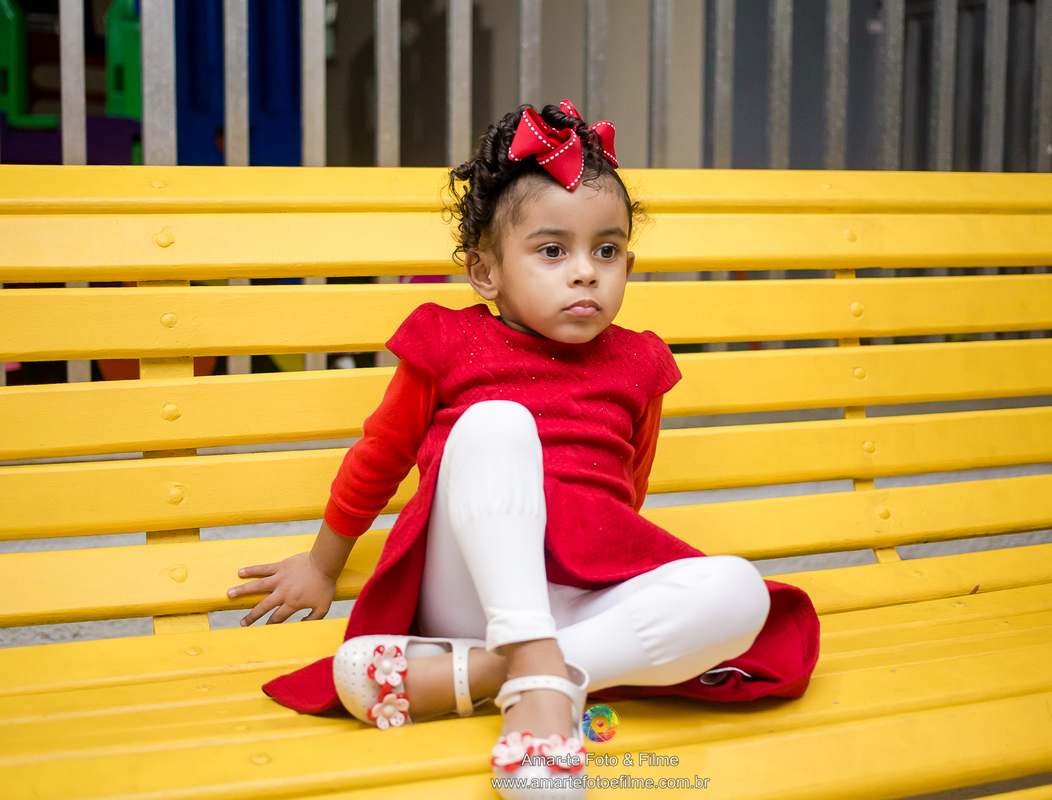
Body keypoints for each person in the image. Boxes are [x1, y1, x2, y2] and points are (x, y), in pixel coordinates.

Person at [226, 100, 820, 798]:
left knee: (740, 593)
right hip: (469, 587)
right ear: (486, 273)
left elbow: (626, 495)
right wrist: (324, 565)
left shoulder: (639, 363)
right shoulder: (450, 343)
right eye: (551, 251)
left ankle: (485, 673)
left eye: (606, 250)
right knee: (496, 422)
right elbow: (380, 456)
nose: (585, 272)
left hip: (575, 597)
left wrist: (612, 589)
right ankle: (540, 702)